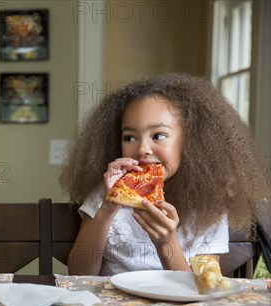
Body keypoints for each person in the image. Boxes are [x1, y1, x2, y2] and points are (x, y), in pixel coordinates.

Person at [59, 73, 270, 276]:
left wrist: (166, 243)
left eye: (158, 135)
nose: (142, 149)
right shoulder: (104, 193)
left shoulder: (209, 204)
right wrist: (106, 209)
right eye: (130, 137)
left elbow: (199, 285)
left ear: (190, 143)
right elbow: (79, 272)